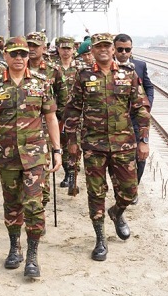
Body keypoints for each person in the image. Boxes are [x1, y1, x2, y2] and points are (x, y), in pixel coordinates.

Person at [0, 36, 63, 279]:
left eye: (23, 54)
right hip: (6, 156)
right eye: (13, 54)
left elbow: (51, 118)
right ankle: (15, 247)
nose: (18, 58)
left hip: (35, 156)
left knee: (34, 205)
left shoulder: (41, 83)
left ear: (29, 56)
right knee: (12, 204)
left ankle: (33, 255)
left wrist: (57, 150)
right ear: (4, 56)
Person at [62, 33, 151, 262]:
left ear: (113, 49)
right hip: (93, 144)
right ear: (91, 50)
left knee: (130, 191)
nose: (102, 50)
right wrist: (71, 141)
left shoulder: (128, 74)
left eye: (106, 46)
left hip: (123, 143)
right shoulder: (83, 76)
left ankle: (117, 212)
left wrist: (143, 140)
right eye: (97, 46)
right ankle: (100, 239)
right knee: (96, 192)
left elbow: (141, 108)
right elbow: (72, 109)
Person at [113, 33, 154, 201]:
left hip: (136, 120)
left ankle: (134, 188)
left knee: (140, 156)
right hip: (117, 122)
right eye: (120, 49)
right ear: (114, 49)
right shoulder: (106, 67)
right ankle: (121, 189)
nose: (123, 53)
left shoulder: (139, 66)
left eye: (127, 49)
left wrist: (147, 105)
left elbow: (149, 87)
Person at [25, 31, 62, 211]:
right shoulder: (17, 67)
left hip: (46, 128)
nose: (31, 49)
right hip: (24, 127)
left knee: (43, 169)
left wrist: (57, 123)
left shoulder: (52, 70)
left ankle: (42, 206)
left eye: (35, 46)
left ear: (44, 48)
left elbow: (62, 101)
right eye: (29, 45)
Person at [54, 36, 82, 189]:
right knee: (62, 144)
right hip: (57, 114)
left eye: (68, 49)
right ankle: (67, 172)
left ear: (73, 50)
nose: (66, 52)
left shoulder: (80, 67)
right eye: (63, 48)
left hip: (76, 114)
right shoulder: (53, 67)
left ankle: (73, 173)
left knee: (75, 143)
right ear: (58, 49)